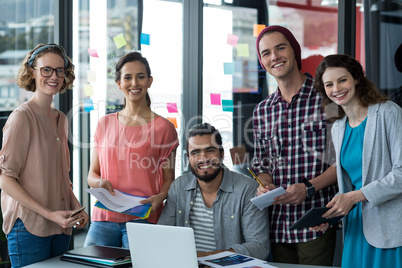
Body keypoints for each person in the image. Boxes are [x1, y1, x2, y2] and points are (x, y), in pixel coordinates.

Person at [251, 25, 338, 265]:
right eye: (266, 53)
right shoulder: (262, 111)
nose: (274, 57)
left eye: (280, 48)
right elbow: (262, 162)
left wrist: (308, 187)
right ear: (262, 62)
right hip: (276, 225)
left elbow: (342, 160)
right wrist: (264, 184)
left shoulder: (328, 100)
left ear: (294, 51)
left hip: (316, 222)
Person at [0, 43, 89, 267]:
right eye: (46, 69)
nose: (54, 76)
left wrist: (77, 208)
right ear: (32, 72)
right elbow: (5, 179)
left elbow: (62, 179)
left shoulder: (61, 119)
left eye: (60, 70)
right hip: (29, 227)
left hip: (62, 225)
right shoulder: (22, 117)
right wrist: (49, 214)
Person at [312, 54, 402, 268]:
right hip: (355, 228)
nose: (336, 88)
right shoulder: (338, 127)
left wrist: (354, 196)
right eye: (329, 84)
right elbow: (350, 185)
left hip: (388, 227)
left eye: (342, 80)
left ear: (357, 79)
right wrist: (331, 213)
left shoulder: (389, 112)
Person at [84, 52, 179, 249]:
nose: (134, 83)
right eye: (127, 77)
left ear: (150, 81)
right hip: (104, 219)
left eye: (140, 76)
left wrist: (160, 198)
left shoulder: (164, 128)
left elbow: (169, 179)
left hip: (143, 219)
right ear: (119, 83)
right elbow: (92, 174)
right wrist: (100, 182)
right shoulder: (104, 124)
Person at [158, 123, 270, 260]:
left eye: (210, 150)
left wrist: (206, 257)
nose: (203, 158)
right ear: (188, 158)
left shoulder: (247, 189)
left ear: (221, 154)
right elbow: (162, 236)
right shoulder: (179, 187)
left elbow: (259, 247)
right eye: (196, 152)